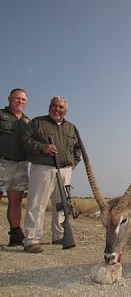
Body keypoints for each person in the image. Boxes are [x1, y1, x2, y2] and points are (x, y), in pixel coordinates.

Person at [22, 96, 81, 253]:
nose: (57, 109)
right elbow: (24, 140)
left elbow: (78, 147)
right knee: (37, 204)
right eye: (54, 106)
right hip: (42, 169)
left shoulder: (71, 127)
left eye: (61, 107)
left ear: (65, 110)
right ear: (49, 107)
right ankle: (31, 240)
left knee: (62, 206)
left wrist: (74, 161)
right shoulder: (37, 122)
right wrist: (43, 147)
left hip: (65, 171)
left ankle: (59, 235)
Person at [0, 88, 30, 246]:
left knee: (16, 201)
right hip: (2, 163)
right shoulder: (1, 115)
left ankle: (16, 234)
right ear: (9, 98)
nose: (20, 101)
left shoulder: (28, 122)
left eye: (23, 99)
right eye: (17, 98)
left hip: (21, 165)